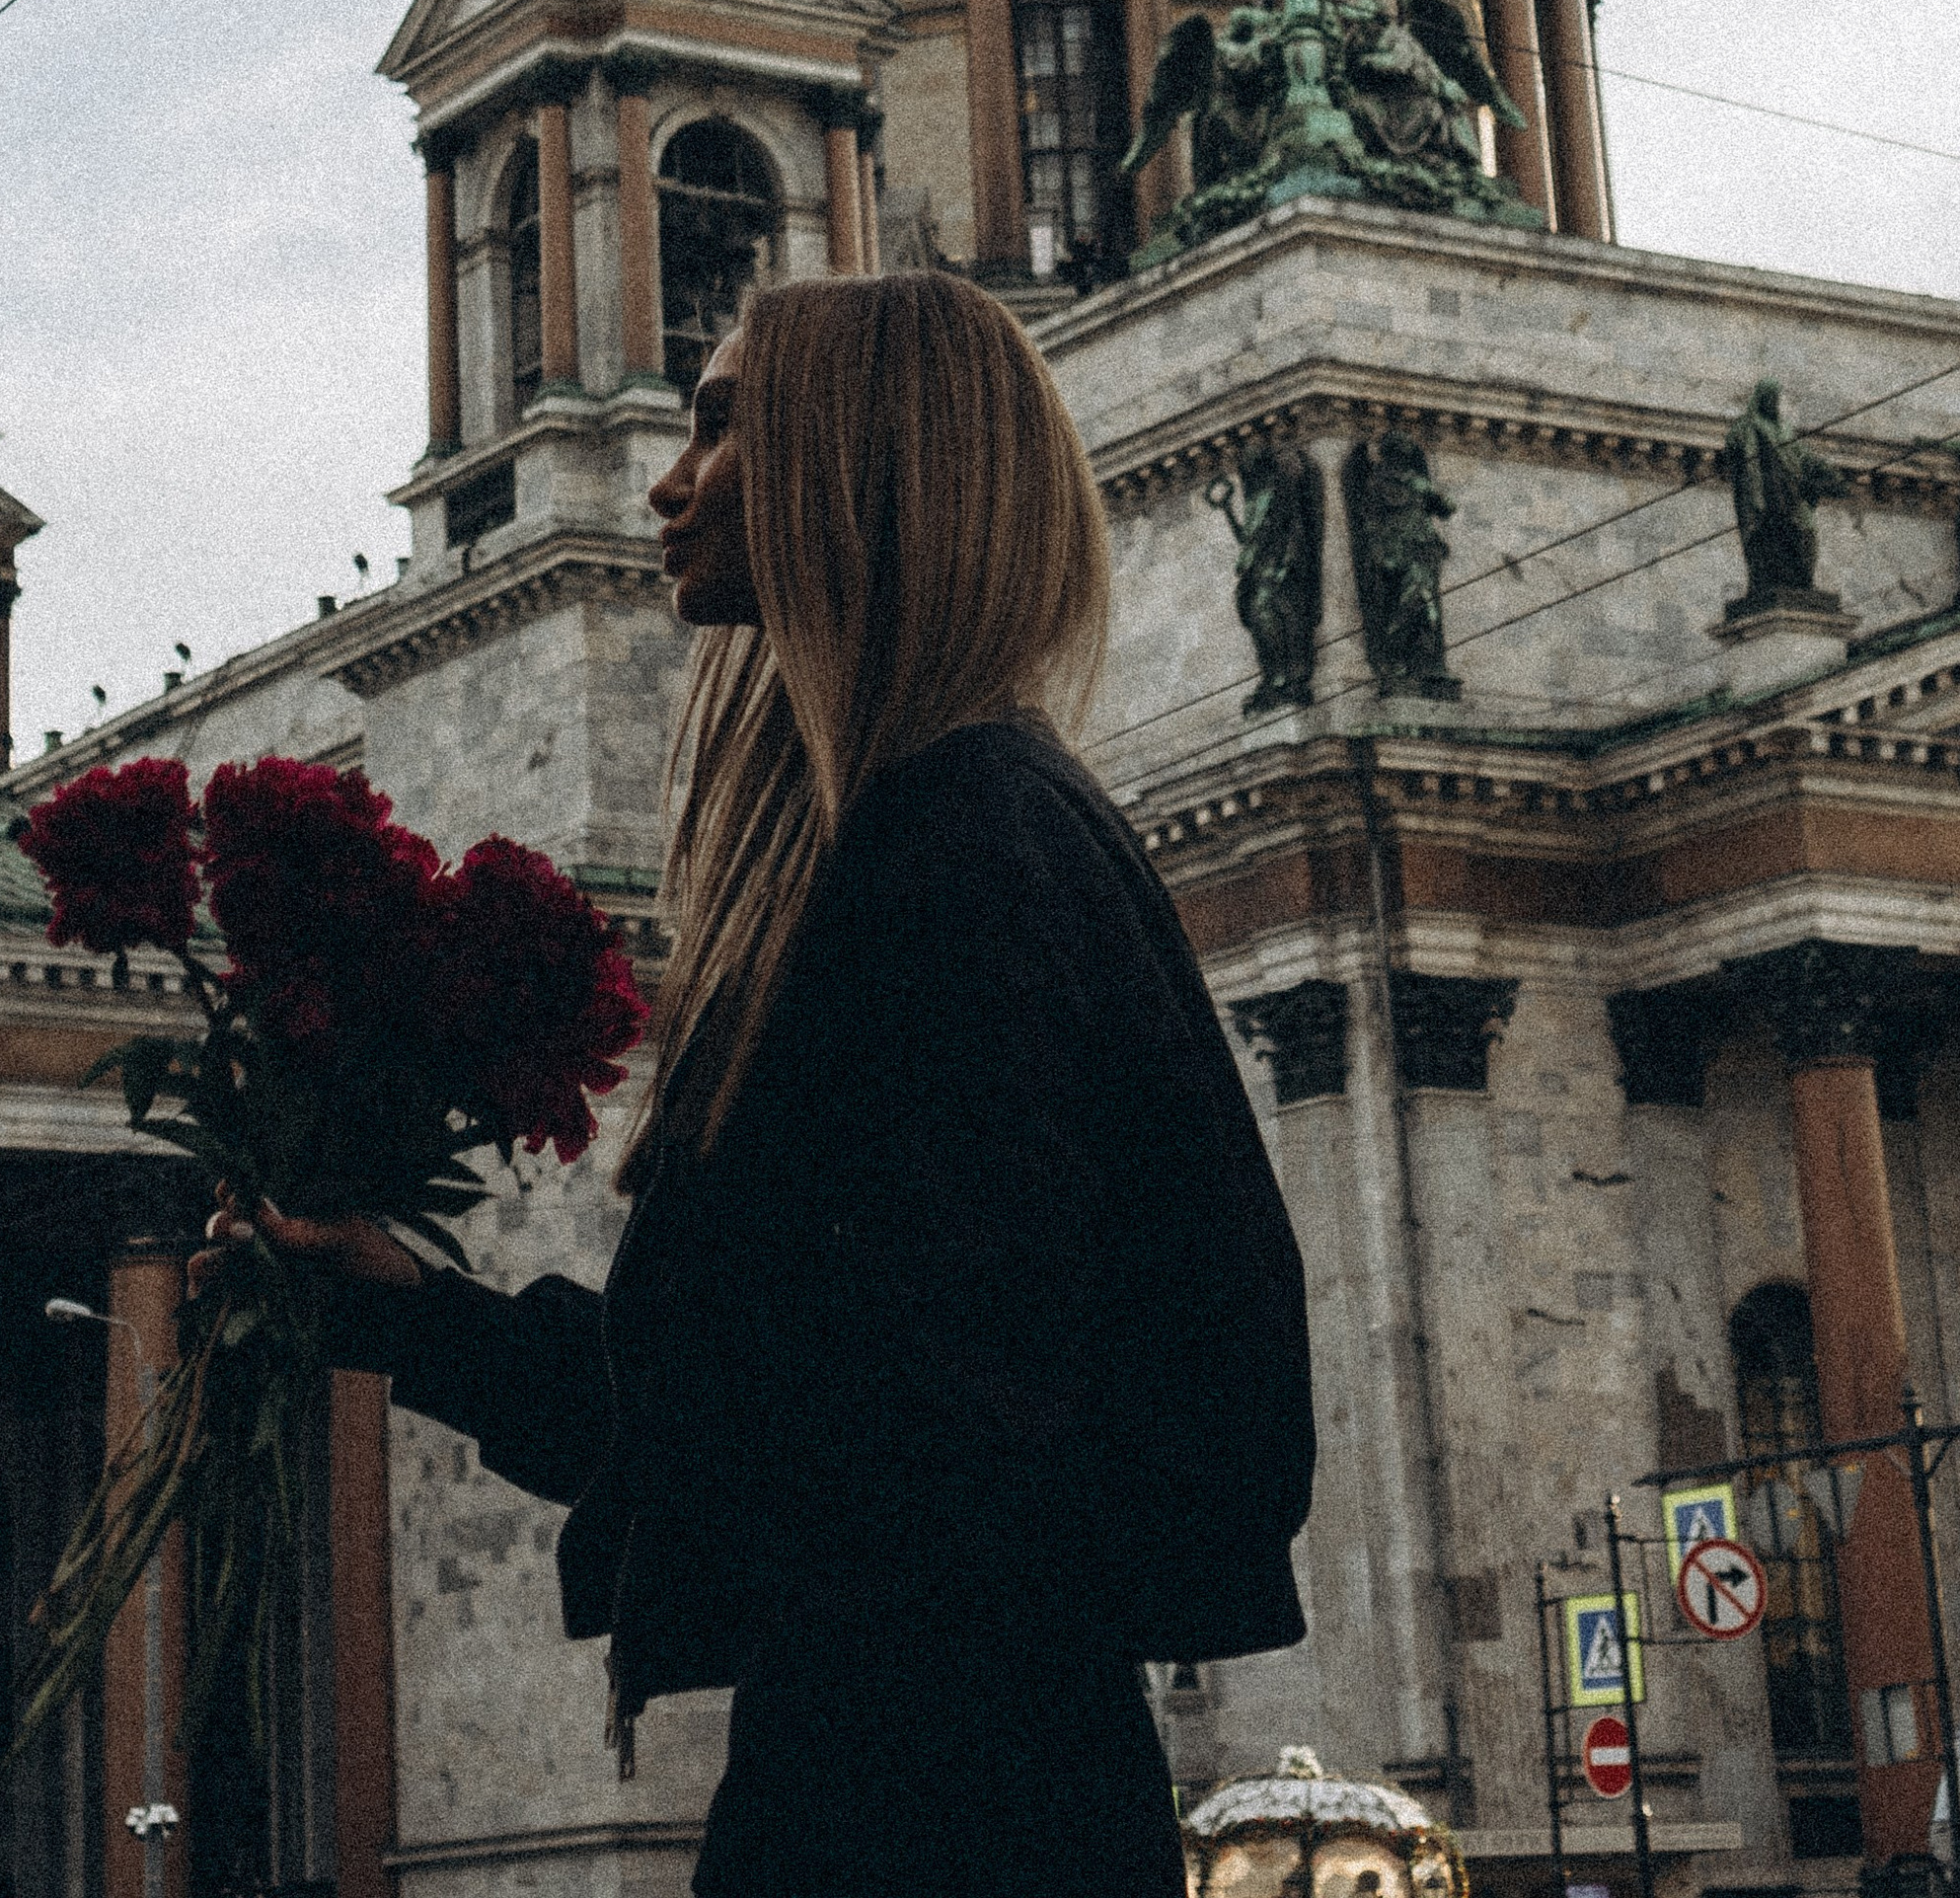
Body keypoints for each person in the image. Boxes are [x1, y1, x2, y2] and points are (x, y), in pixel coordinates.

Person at [200, 271, 1314, 1893]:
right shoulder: (944, 834)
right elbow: (786, 1413)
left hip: (928, 1806)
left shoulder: (952, 854)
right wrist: (414, 1314)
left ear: (865, 466)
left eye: (722, 423)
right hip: (934, 1768)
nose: (665, 475)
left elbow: (916, 1452)